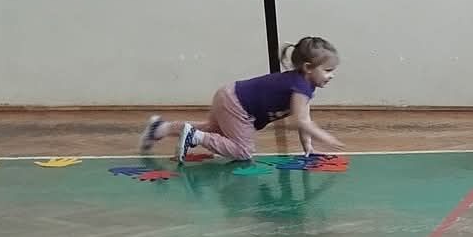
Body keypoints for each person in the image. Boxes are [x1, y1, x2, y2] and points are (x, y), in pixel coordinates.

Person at [140, 37, 343, 164]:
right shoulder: (300, 86)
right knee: (243, 151)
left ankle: (159, 129)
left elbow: (305, 117)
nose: (331, 76)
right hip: (237, 104)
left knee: (214, 130)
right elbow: (301, 121)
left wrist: (308, 147)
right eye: (327, 70)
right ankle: (194, 137)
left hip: (228, 94)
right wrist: (326, 138)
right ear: (308, 68)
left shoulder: (304, 86)